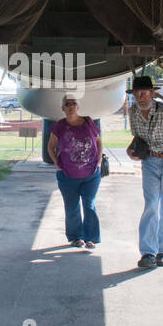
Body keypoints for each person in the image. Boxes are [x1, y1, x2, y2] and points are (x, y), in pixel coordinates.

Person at [125, 75, 163, 268]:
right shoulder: (133, 112)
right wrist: (130, 149)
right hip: (150, 159)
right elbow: (138, 138)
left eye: (145, 93)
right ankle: (148, 252)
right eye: (137, 93)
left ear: (152, 94)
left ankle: (162, 250)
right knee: (151, 204)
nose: (141, 96)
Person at [47, 93, 102, 249]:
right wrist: (56, 162)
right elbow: (50, 146)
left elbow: (98, 141)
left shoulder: (88, 122)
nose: (71, 106)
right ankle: (76, 237)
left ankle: (90, 238)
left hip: (91, 174)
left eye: (73, 103)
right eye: (67, 104)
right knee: (72, 207)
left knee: (89, 204)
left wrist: (98, 161)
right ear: (63, 108)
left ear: (78, 107)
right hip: (67, 176)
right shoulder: (60, 126)